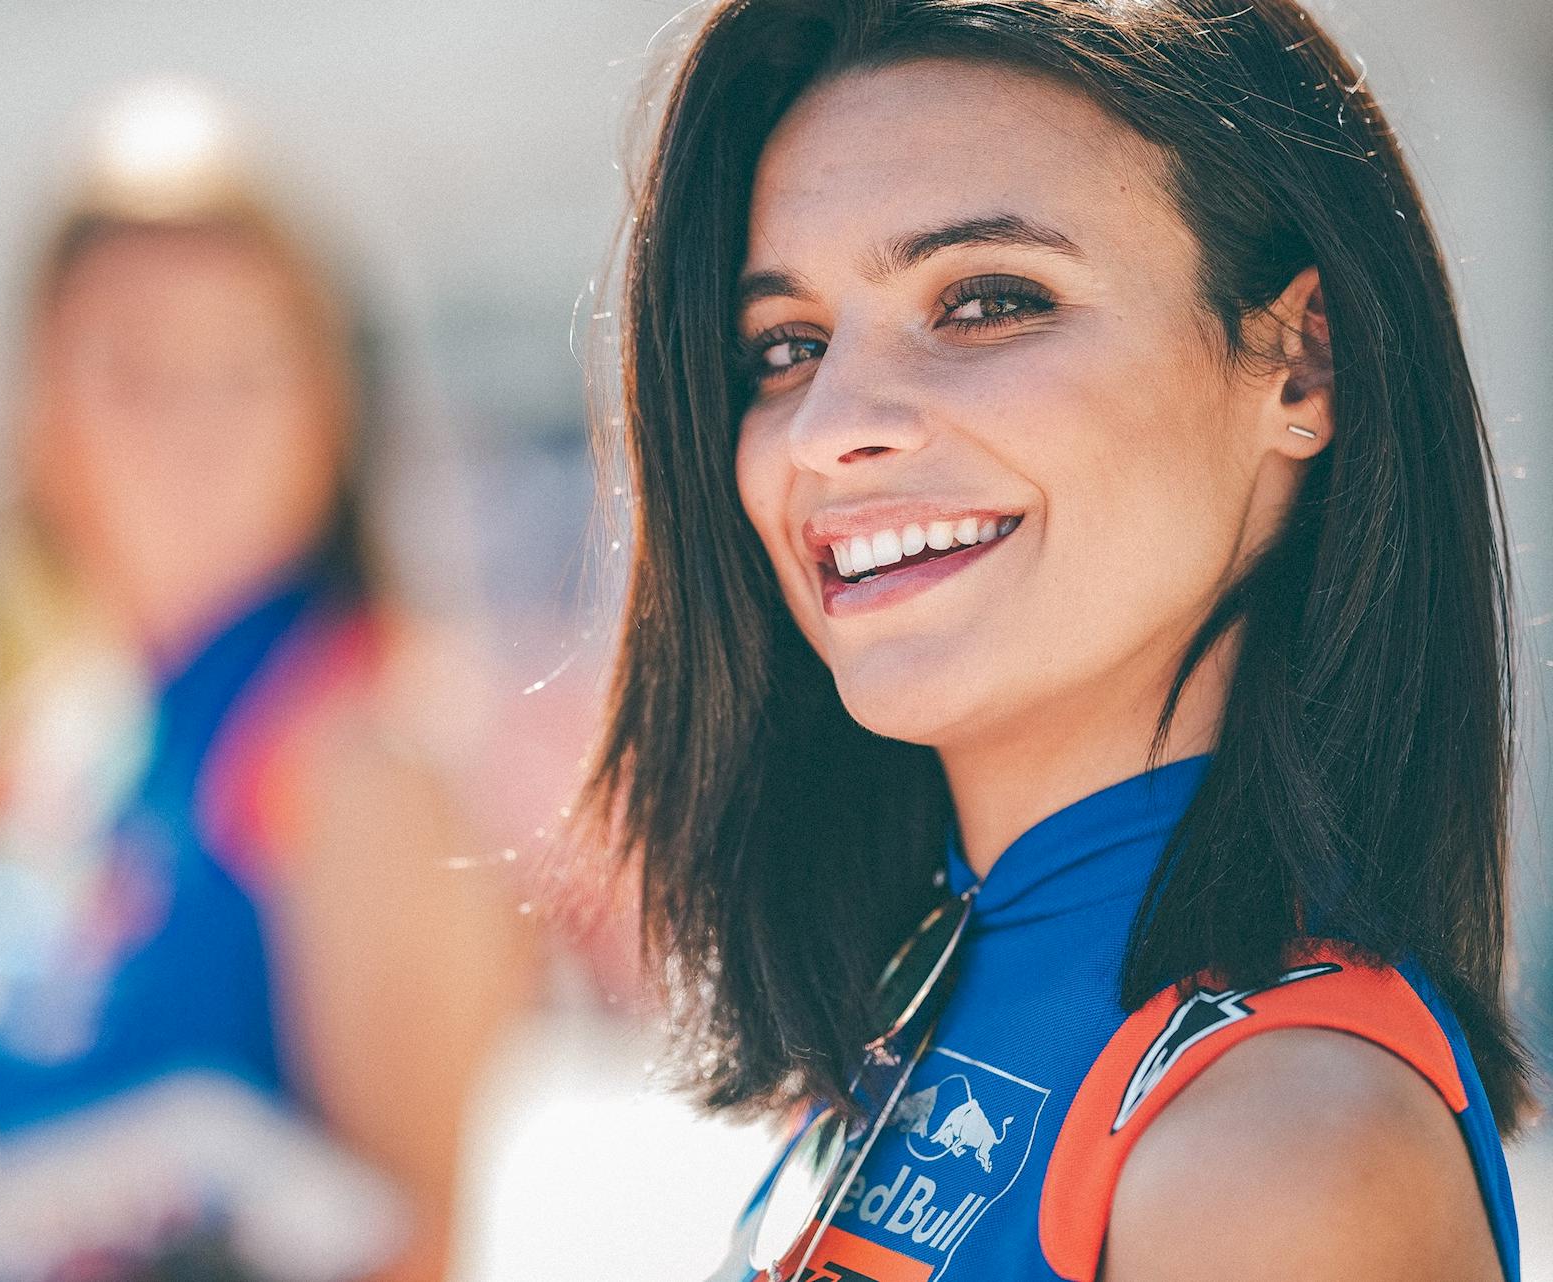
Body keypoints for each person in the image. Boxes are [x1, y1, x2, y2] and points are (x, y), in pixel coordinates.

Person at [577, 2, 1538, 1279]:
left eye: (985, 300)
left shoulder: (1282, 1148)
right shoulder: (924, 990)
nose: (827, 427)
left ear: (1303, 366)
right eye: (789, 344)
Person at [0, 93, 534, 1282]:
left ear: (333, 404)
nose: (196, 424)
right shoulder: (53, 742)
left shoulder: (364, 748)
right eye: (136, 367)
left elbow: (409, 1256)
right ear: (39, 417)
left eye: (248, 365)